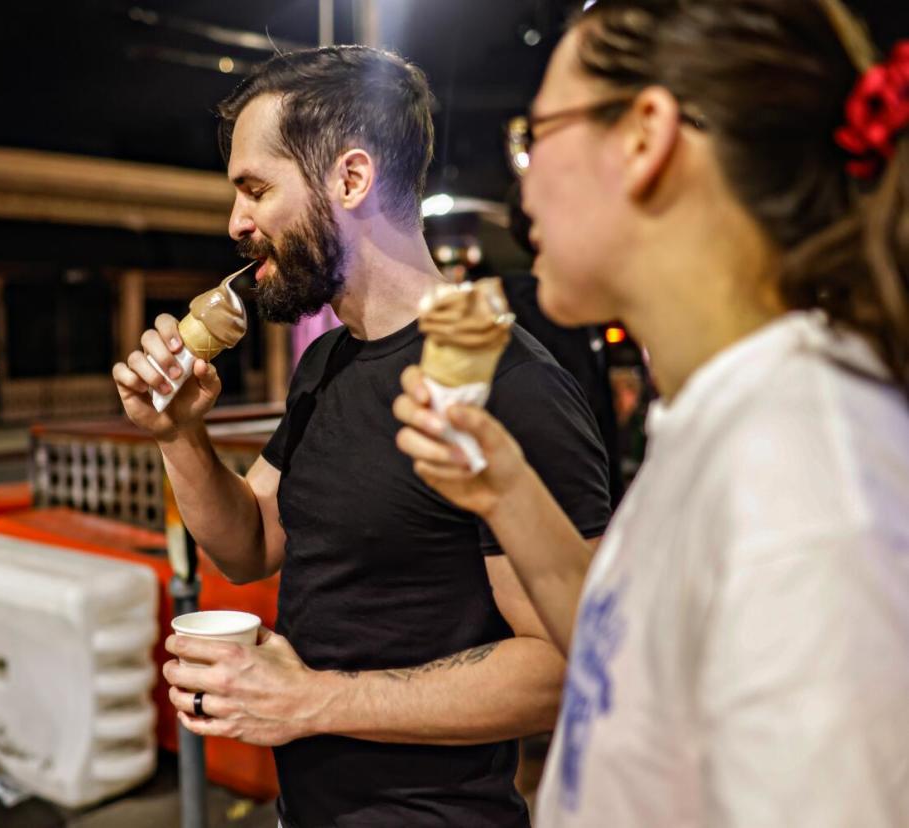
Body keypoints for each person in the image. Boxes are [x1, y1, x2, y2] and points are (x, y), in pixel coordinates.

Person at [393, 1, 909, 825]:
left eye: (535, 134)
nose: (521, 176)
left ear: (645, 137)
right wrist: (505, 490)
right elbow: (626, 661)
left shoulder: (808, 494)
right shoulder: (725, 415)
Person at [112, 46, 611, 826]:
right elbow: (248, 546)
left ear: (350, 179)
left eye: (256, 189)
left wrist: (311, 701)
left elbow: (562, 669)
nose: (235, 223)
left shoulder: (507, 383)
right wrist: (179, 432)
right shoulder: (325, 363)